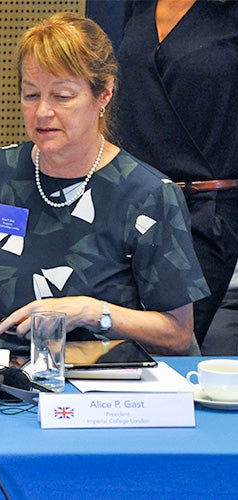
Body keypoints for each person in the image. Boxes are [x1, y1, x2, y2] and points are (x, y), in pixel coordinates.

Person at [0, 12, 209, 356]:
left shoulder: (147, 195)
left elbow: (176, 333)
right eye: (31, 95)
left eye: (62, 96)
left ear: (103, 95)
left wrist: (91, 311)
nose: (42, 112)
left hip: (98, 383)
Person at [114, 0, 238, 349]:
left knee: (165, 346)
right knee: (116, 350)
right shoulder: (139, 6)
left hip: (207, 212)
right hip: (132, 205)